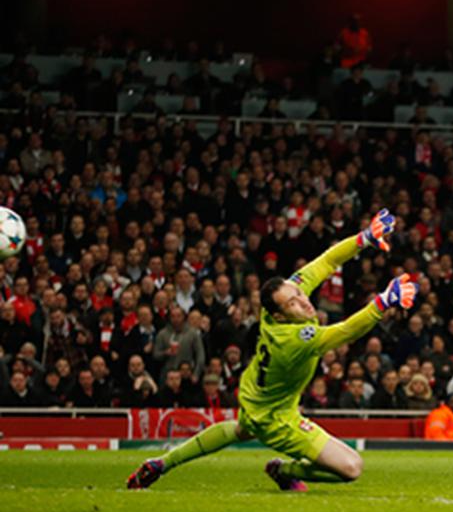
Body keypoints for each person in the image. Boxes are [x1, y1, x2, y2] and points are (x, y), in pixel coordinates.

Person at [126, 209, 419, 491]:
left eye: (298, 294)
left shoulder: (277, 300)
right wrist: (382, 302)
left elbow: (327, 260)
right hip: (276, 417)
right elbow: (345, 331)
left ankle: (160, 463)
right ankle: (283, 469)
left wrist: (364, 237)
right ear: (280, 315)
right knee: (352, 467)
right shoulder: (294, 338)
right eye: (292, 303)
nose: (303, 301)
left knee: (240, 429)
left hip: (257, 392)